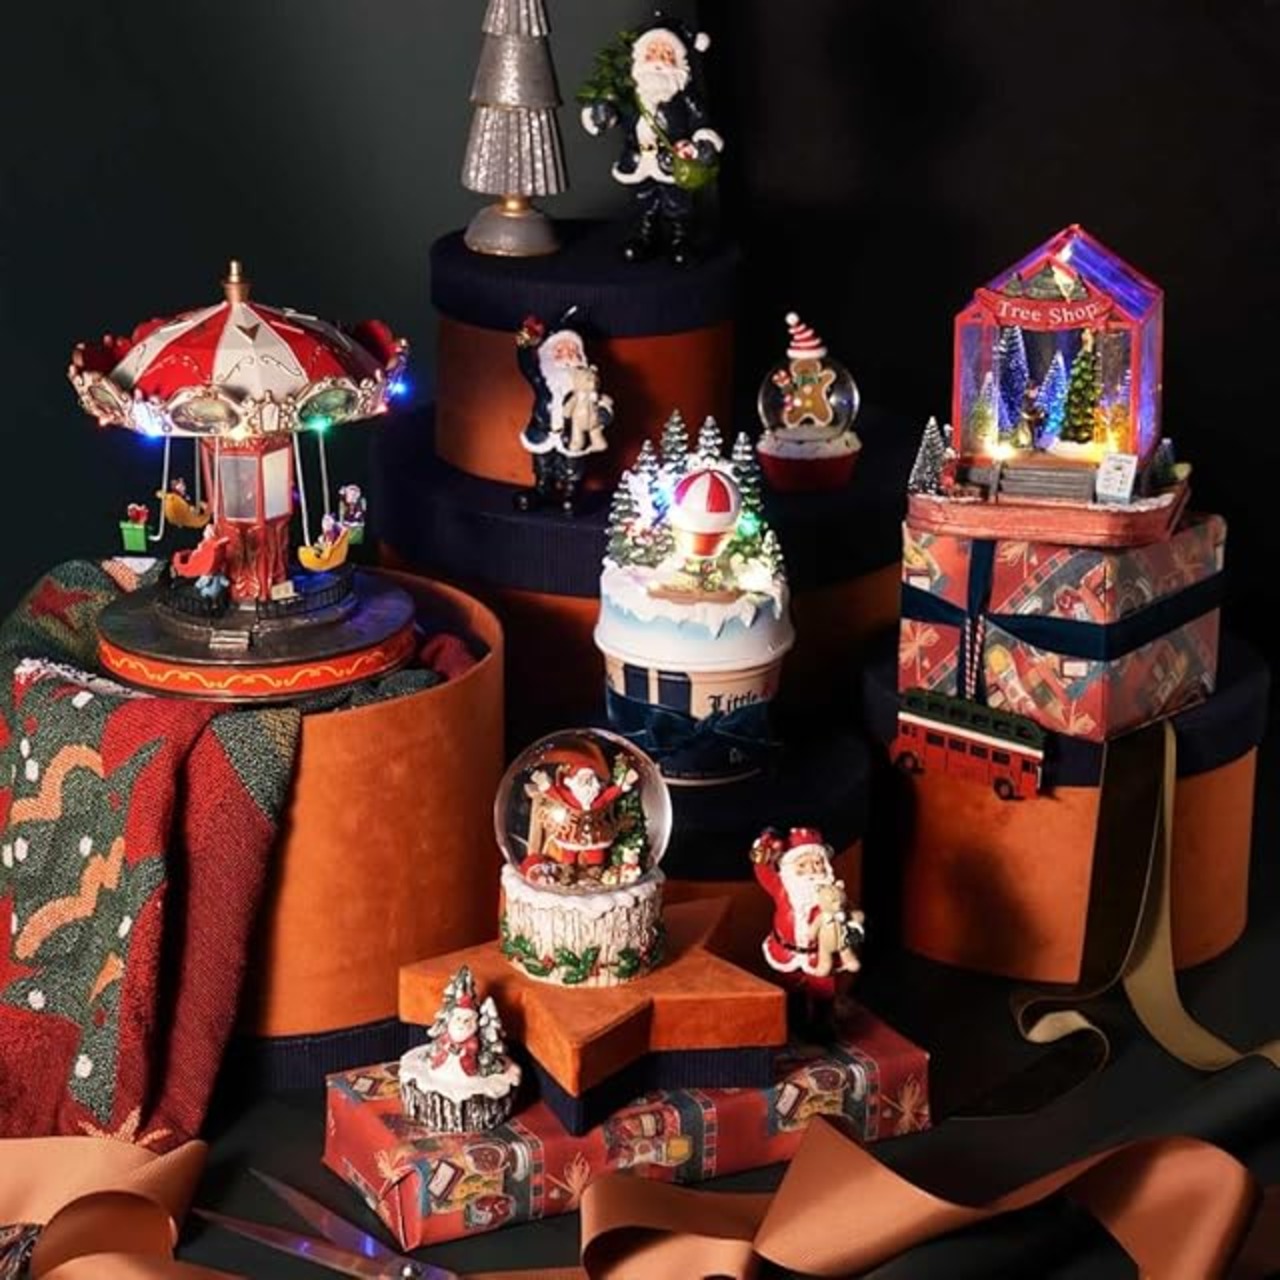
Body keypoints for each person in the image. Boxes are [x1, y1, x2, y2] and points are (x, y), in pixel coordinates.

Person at [581, 21, 723, 265]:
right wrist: (602, 115)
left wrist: (703, 142)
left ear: (679, 61)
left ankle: (680, 238)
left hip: (672, 161)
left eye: (667, 54)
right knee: (643, 199)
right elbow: (616, 114)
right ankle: (645, 236)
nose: (659, 61)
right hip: (638, 160)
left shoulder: (684, 97)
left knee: (676, 201)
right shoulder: (630, 94)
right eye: (653, 53)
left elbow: (700, 121)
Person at [514, 316, 612, 513]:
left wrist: (602, 414)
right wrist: (524, 341)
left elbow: (602, 402)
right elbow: (526, 365)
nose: (567, 355)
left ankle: (571, 492)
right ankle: (542, 488)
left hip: (573, 433)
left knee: (572, 464)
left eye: (572, 351)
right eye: (559, 351)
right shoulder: (542, 380)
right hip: (543, 429)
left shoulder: (586, 380)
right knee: (542, 461)